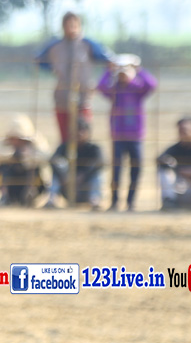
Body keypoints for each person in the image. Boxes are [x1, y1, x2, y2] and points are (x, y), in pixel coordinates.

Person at [35, 12, 114, 145]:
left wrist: (98, 83)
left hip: (83, 97)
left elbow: (108, 60)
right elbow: (38, 60)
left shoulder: (88, 44)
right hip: (62, 97)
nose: (72, 28)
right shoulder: (55, 46)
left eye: (74, 24)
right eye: (68, 25)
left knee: (83, 135)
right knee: (65, 138)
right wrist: (52, 68)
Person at [96, 54, 157, 212]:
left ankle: (131, 202)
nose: (123, 76)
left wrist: (139, 69)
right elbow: (101, 86)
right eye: (120, 73)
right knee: (116, 170)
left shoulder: (137, 90)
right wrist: (109, 70)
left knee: (136, 169)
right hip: (117, 136)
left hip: (136, 136)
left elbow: (151, 84)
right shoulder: (114, 90)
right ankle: (114, 201)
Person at [0, 114, 50, 207]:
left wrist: (27, 157)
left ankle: (31, 194)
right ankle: (4, 196)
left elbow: (45, 155)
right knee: (3, 166)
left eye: (19, 139)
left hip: (31, 184)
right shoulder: (6, 143)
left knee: (34, 167)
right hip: (11, 187)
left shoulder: (35, 141)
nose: (16, 141)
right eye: (14, 138)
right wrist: (11, 154)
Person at [45, 119, 104, 209]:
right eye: (76, 130)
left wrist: (83, 175)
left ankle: (95, 200)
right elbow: (53, 160)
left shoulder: (93, 149)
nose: (79, 133)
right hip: (67, 186)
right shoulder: (65, 147)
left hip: (85, 187)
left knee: (98, 175)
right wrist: (65, 176)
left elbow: (100, 162)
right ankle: (52, 199)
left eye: (82, 130)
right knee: (59, 164)